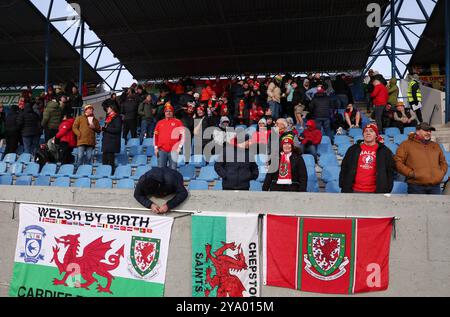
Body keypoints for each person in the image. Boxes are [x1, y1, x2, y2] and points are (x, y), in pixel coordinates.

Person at [340, 124, 395, 193]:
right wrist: (342, 184)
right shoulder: (353, 149)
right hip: (353, 190)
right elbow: (344, 167)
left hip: (376, 192)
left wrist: (387, 188)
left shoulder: (384, 151)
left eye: (371, 131)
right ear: (363, 135)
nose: (368, 133)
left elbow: (390, 171)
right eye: (366, 131)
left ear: (376, 135)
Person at [395, 122, 448, 195]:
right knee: (418, 207)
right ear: (417, 131)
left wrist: (441, 174)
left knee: (435, 206)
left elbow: (443, 162)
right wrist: (411, 174)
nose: (428, 133)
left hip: (435, 186)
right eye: (426, 130)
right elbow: (397, 162)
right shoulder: (406, 144)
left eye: (430, 131)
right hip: (416, 186)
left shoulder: (436, 146)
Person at [154, 103, 184, 170]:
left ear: (173, 113)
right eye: (167, 111)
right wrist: (155, 148)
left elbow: (183, 135)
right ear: (164, 113)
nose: (168, 113)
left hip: (174, 150)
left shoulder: (178, 122)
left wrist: (179, 147)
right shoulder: (159, 123)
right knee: (160, 170)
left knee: (173, 170)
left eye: (170, 111)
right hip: (161, 150)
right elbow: (156, 136)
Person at [101, 104, 122, 174]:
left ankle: (110, 174)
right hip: (106, 142)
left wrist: (106, 129)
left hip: (112, 142)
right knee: (104, 160)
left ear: (113, 108)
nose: (107, 109)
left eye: (108, 107)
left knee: (110, 161)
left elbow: (118, 130)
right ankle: (104, 174)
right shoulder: (108, 118)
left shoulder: (117, 118)